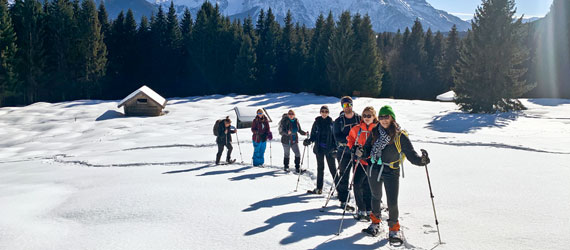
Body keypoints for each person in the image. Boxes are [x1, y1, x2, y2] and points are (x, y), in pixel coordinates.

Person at [359, 105, 430, 243]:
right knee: (375, 196)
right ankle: (375, 223)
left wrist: (422, 160)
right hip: (374, 168)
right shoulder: (375, 131)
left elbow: (411, 155)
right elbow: (367, 149)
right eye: (381, 117)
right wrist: (361, 152)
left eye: (386, 117)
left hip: (392, 170)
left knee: (392, 201)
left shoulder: (400, 135)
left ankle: (394, 229)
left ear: (392, 118)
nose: (384, 120)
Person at [346, 106, 377, 221]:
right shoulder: (357, 128)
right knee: (357, 184)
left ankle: (369, 209)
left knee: (369, 186)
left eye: (369, 115)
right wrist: (353, 149)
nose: (367, 118)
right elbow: (350, 140)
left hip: (371, 161)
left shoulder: (377, 129)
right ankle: (361, 209)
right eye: (364, 115)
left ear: (374, 117)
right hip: (358, 161)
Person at [333, 96, 361, 211]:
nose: (347, 107)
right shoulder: (338, 121)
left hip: (357, 151)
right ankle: (343, 200)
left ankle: (362, 203)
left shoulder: (359, 118)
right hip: (343, 151)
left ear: (352, 105)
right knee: (344, 176)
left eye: (349, 104)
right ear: (342, 107)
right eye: (344, 105)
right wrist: (350, 139)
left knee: (359, 178)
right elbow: (337, 136)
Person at [303, 105, 336, 194]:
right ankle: (319, 188)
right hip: (319, 149)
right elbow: (313, 135)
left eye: (326, 111)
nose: (324, 113)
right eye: (322, 111)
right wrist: (309, 141)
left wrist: (335, 148)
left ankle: (340, 191)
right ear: (320, 112)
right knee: (320, 168)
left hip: (329, 149)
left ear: (328, 113)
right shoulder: (316, 122)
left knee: (333, 169)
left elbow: (335, 137)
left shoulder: (332, 123)